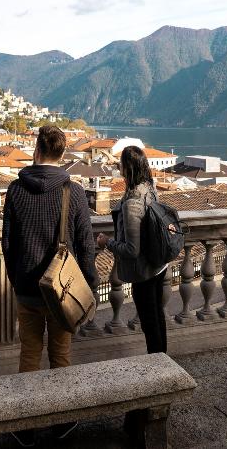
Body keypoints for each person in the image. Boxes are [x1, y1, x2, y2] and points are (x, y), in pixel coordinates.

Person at [2, 125, 97, 446]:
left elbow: (7, 244)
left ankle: (27, 426)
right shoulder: (74, 192)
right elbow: (85, 245)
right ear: (62, 153)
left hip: (27, 287)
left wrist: (17, 280)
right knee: (60, 355)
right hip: (63, 289)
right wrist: (90, 286)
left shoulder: (16, 190)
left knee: (29, 354)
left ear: (37, 149)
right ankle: (61, 422)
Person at [97, 145, 168, 354]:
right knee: (157, 317)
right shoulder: (150, 188)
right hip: (158, 266)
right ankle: (164, 360)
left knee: (149, 323)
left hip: (143, 272)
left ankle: (158, 364)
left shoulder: (132, 202)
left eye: (120, 162)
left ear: (126, 168)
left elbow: (131, 249)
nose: (117, 165)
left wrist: (106, 242)